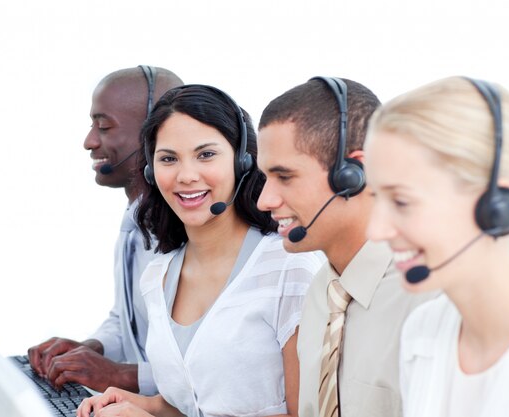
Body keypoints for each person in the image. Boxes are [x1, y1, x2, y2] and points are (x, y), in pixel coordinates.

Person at [77, 84, 326, 417]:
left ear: (242, 160)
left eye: (206, 154)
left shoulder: (288, 268)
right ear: (151, 170)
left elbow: (306, 415)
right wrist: (135, 403)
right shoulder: (158, 276)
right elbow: (194, 406)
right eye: (168, 159)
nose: (186, 175)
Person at [255, 77, 434, 417]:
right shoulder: (321, 294)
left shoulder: (429, 299)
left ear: (355, 172)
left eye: (285, 177)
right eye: (265, 177)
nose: (265, 199)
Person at [364, 76, 509, 416]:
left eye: (402, 201)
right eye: (376, 197)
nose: (375, 230)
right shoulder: (424, 331)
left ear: (496, 205)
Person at [27, 66, 183, 394]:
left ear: (153, 133)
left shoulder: (189, 233)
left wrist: (118, 375)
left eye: (104, 126)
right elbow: (126, 319)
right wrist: (93, 348)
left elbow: (205, 368)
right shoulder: (135, 218)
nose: (89, 141)